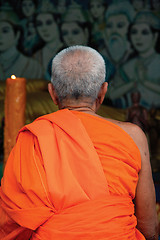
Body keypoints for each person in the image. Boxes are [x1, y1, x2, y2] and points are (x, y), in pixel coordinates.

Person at [0, 46, 158, 239]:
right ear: (103, 91)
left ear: (52, 93)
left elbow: (13, 221)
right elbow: (149, 228)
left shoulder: (33, 139)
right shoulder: (133, 136)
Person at [120, 10, 160, 109]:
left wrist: (145, 82)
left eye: (144, 33)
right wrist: (134, 83)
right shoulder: (127, 66)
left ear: (155, 36)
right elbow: (111, 94)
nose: (138, 37)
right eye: (134, 32)